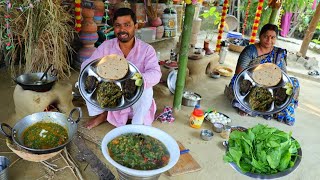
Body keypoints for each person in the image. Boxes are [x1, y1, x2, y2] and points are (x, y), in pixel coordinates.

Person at [81, 8, 162, 129]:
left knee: (147, 91)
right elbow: (88, 64)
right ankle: (104, 114)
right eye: (118, 25)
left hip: (134, 93)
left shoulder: (147, 49)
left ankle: (136, 124)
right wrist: (98, 73)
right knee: (85, 80)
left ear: (135, 26)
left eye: (127, 25)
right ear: (114, 27)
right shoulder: (106, 46)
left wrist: (138, 79)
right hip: (112, 89)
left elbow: (155, 73)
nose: (122, 29)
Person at [224, 24, 300, 126]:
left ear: (276, 38)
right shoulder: (250, 50)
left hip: (272, 83)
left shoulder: (278, 53)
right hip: (250, 81)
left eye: (272, 37)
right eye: (266, 36)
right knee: (251, 88)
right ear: (260, 36)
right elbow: (239, 73)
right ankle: (251, 106)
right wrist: (259, 78)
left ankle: (278, 109)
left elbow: (283, 75)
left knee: (293, 83)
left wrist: (271, 80)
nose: (269, 40)